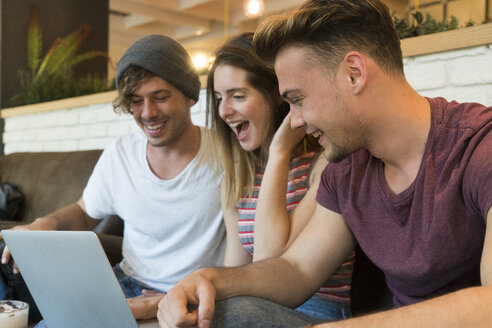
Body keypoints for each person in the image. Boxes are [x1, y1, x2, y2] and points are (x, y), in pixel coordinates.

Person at [156, 0, 492, 327]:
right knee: (228, 313)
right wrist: (208, 279)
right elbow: (296, 270)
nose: (296, 121)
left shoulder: (480, 145)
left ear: (353, 74)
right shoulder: (347, 168)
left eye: (298, 100)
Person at [0, 34, 226, 322]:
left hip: (191, 296)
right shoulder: (121, 152)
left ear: (189, 95)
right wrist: (44, 225)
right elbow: (84, 212)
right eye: (136, 101)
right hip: (126, 285)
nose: (148, 113)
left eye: (160, 97)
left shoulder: (227, 156)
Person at [208, 32, 354, 321]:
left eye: (238, 96)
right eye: (218, 98)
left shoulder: (325, 163)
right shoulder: (237, 174)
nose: (224, 111)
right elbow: (239, 272)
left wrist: (279, 153)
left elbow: (269, 261)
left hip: (319, 310)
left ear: (278, 97)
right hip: (255, 311)